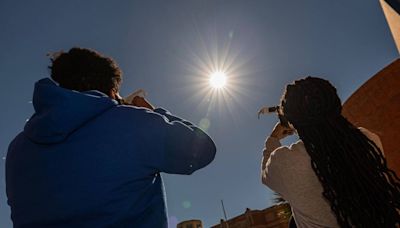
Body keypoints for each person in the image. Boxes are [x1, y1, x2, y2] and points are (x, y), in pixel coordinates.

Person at [6, 47, 216, 228]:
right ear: (112, 90)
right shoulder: (132, 123)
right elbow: (202, 149)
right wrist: (153, 112)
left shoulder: (17, 149)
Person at [261, 77, 400, 228]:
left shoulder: (284, 163)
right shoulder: (368, 140)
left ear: (292, 122)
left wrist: (274, 137)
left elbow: (266, 172)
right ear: (335, 104)